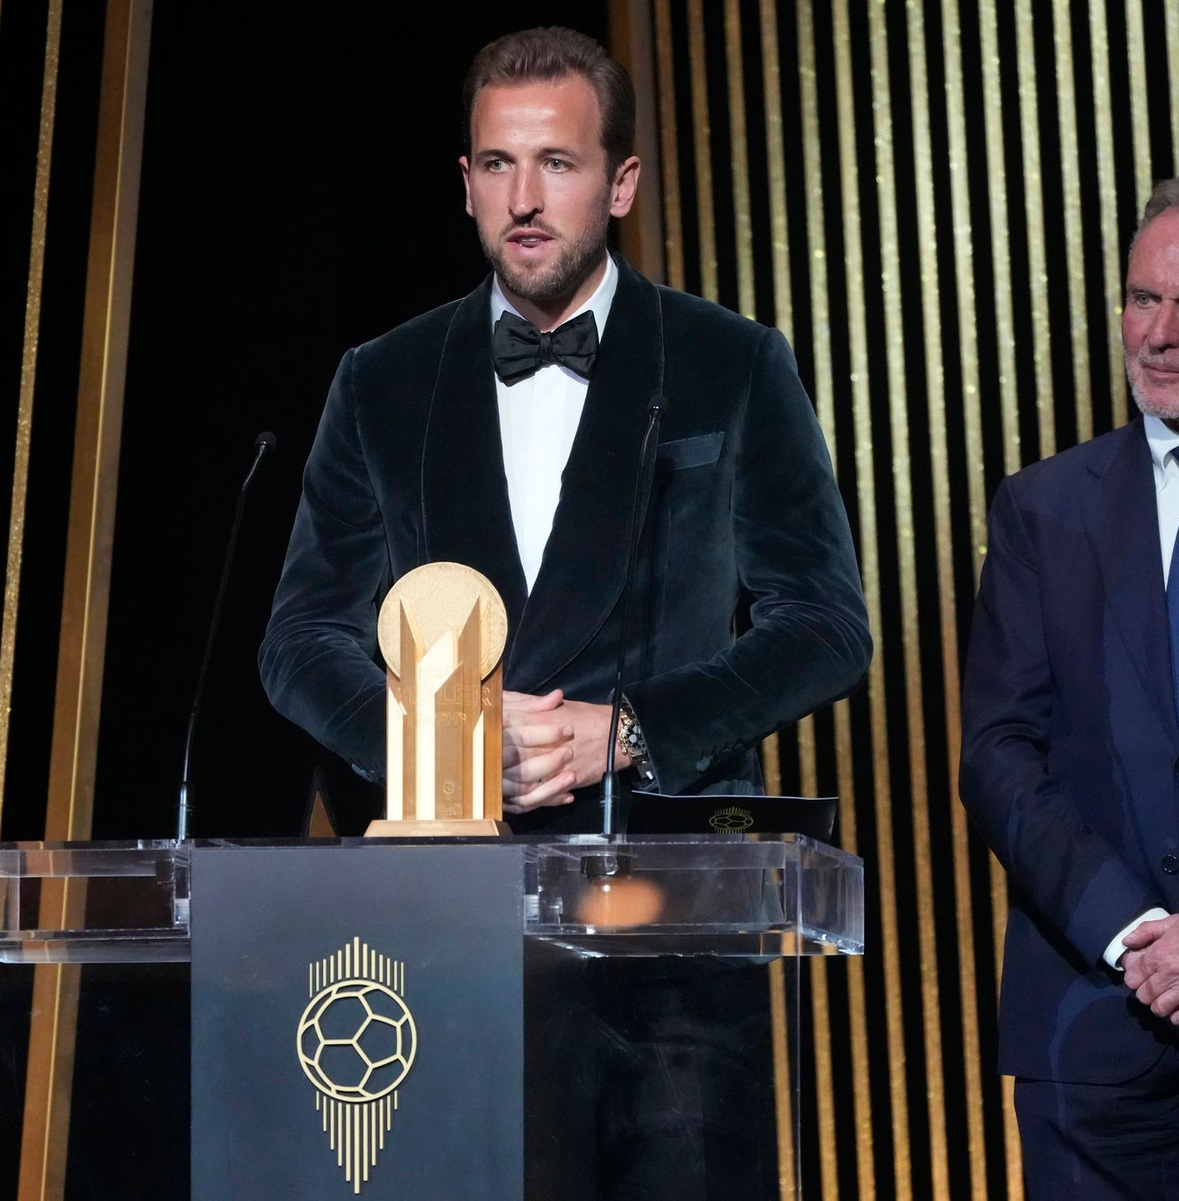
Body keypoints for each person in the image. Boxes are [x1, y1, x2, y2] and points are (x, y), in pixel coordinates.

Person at [260, 26, 869, 1198]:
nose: (524, 199)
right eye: (497, 165)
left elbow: (826, 624)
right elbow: (299, 643)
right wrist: (440, 749)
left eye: (558, 164)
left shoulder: (728, 363)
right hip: (441, 932)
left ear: (622, 182)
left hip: (677, 935)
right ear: (466, 182)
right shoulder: (382, 379)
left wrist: (630, 727)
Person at [961, 178, 1179, 1198]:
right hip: (1096, 1033)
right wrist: (1134, 928)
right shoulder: (1044, 508)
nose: (1161, 333)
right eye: (1143, 300)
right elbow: (1000, 752)